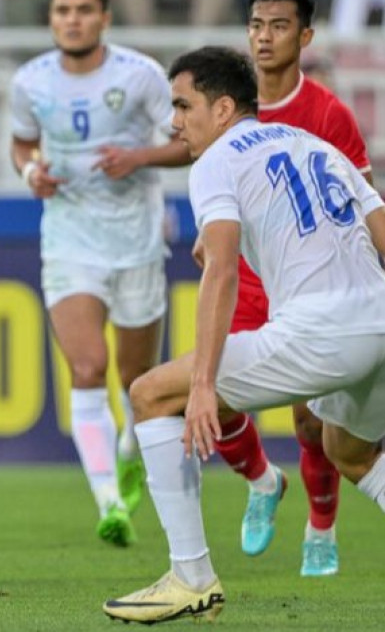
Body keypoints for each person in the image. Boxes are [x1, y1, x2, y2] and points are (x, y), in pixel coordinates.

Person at [104, 45, 385, 624]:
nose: (173, 121)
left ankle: (191, 577)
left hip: (321, 333)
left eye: (183, 105)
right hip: (377, 321)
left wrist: (203, 383)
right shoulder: (318, 147)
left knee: (152, 393)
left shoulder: (216, 161)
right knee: (348, 450)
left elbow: (224, 270)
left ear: (225, 107)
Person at [8, 0, 192, 547]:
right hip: (68, 237)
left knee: (137, 379)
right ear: (51, 18)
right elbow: (21, 141)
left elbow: (189, 140)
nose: (73, 19)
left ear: (105, 18)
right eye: (63, 10)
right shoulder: (30, 81)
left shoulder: (141, 76)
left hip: (136, 240)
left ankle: (130, 451)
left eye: (85, 10)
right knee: (87, 367)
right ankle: (108, 499)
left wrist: (139, 157)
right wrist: (30, 171)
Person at [202, 0, 374, 577]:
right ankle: (260, 480)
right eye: (255, 25)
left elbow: (358, 198)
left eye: (278, 26)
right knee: (213, 400)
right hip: (245, 277)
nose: (265, 37)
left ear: (305, 35)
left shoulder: (327, 112)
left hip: (307, 283)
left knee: (310, 419)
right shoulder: (229, 108)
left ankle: (320, 529)